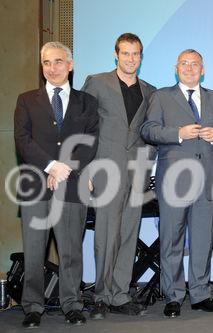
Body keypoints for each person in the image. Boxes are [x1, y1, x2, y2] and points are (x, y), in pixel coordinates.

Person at [141, 49, 213, 318]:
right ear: (176, 68)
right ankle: (173, 296)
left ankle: (200, 293)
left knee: (203, 240)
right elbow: (148, 130)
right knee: (171, 240)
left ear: (203, 69)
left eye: (195, 64)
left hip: (207, 181)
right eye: (185, 63)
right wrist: (177, 133)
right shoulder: (160, 96)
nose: (190, 68)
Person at [14, 42, 99, 327]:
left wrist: (65, 170)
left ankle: (72, 304)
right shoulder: (26, 100)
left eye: (59, 62)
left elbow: (89, 142)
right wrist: (53, 166)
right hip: (35, 186)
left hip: (72, 186)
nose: (53, 68)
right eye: (47, 63)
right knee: (35, 251)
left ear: (70, 65)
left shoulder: (87, 101)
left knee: (71, 251)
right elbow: (23, 142)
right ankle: (32, 307)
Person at [81, 33, 156, 319]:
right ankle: (101, 294)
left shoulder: (150, 90)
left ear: (141, 56)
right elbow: (85, 127)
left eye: (136, 54)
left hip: (137, 171)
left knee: (128, 233)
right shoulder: (97, 82)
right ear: (116, 55)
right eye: (125, 53)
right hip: (105, 169)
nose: (131, 59)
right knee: (106, 234)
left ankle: (121, 294)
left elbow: (149, 129)